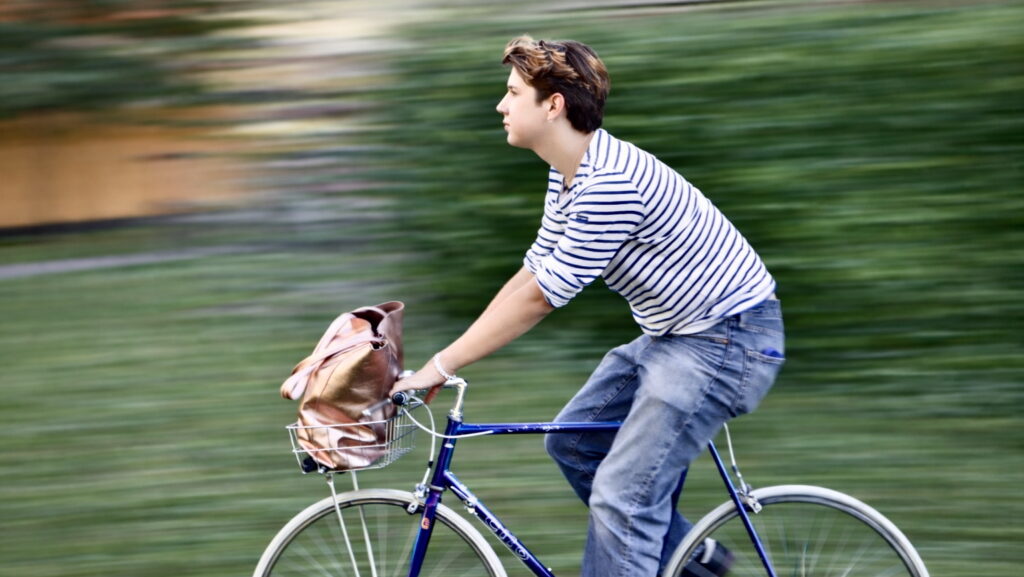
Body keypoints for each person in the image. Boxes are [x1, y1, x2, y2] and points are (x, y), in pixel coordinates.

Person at [391, 35, 785, 577]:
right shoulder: (570, 172)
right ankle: (691, 559)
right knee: (573, 441)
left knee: (622, 499)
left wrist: (443, 365)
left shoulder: (610, 183)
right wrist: (446, 358)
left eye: (512, 93)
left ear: (553, 105)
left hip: (728, 341)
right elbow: (534, 271)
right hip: (679, 337)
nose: (500, 105)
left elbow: (540, 300)